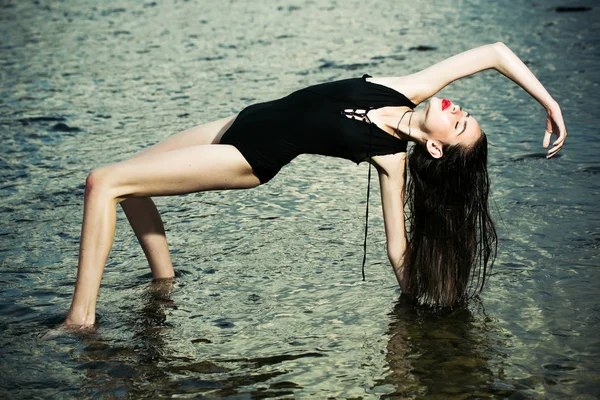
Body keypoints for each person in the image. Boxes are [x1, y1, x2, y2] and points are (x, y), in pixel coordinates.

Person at [65, 42, 567, 327]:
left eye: (459, 125)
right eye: (466, 113)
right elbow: (497, 52)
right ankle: (164, 283)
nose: (458, 110)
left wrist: (429, 308)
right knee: (129, 185)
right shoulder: (408, 87)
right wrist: (550, 104)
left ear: (436, 149)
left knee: (103, 181)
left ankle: (80, 321)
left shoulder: (391, 159)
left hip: (248, 156)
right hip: (237, 122)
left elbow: (397, 249)